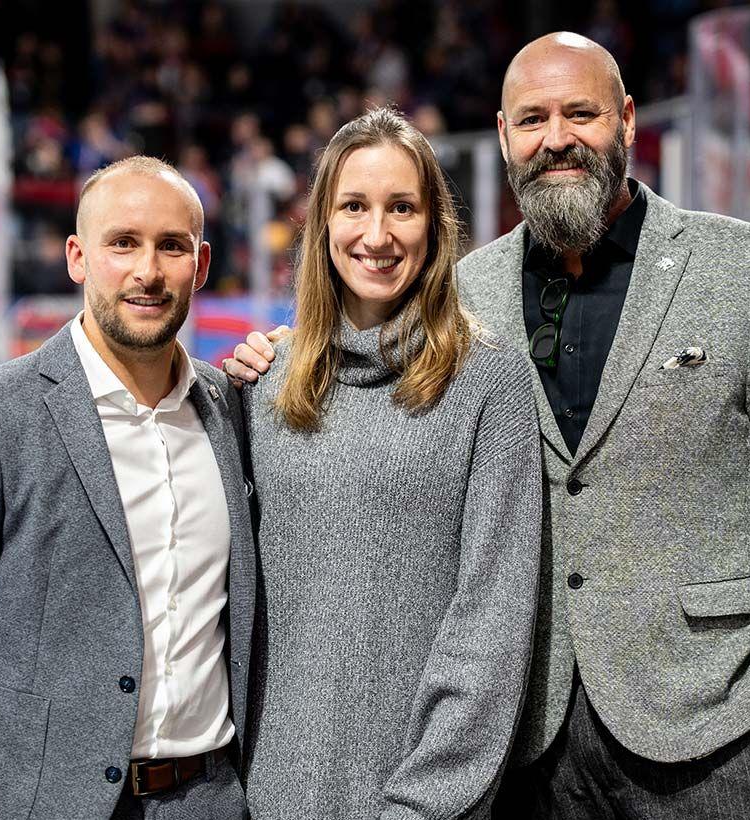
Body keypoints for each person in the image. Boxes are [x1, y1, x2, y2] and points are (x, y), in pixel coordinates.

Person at [227, 33, 750, 819]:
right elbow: (356, 373)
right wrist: (274, 355)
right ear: (503, 136)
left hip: (713, 734)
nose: (557, 138)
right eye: (532, 119)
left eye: (581, 113)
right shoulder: (466, 292)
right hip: (532, 747)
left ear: (628, 120)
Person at [0, 156, 254, 820]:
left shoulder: (233, 409)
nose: (147, 270)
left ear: (199, 267)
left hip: (212, 801)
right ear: (78, 258)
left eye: (171, 247)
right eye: (123, 243)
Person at [239, 108, 542, 820]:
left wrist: (424, 805)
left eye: (401, 208)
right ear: (322, 224)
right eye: (354, 206)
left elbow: (491, 632)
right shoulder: (263, 385)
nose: (377, 235)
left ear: (434, 225)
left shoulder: (488, 386)